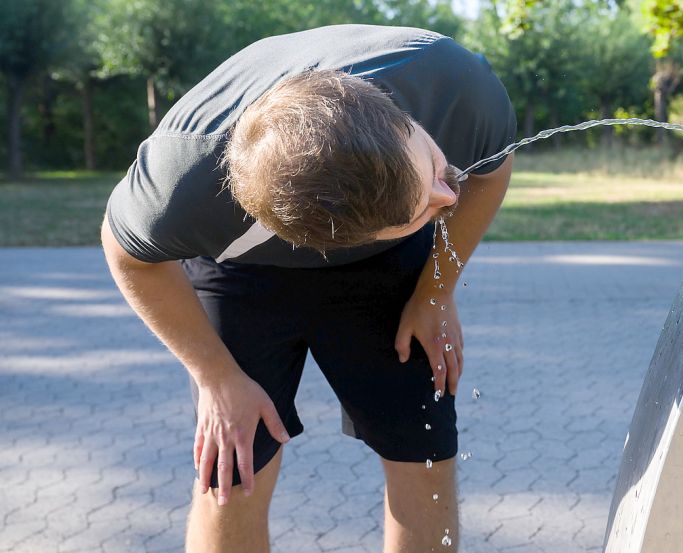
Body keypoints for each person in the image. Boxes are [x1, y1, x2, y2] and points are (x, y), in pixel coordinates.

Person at [101, 24, 515, 553]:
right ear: (330, 237)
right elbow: (127, 257)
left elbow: (490, 173)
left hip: (387, 265)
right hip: (239, 273)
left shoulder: (457, 85)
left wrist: (435, 291)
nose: (447, 196)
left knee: (425, 454)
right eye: (428, 205)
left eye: (432, 169)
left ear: (398, 121)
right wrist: (216, 377)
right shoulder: (180, 185)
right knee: (232, 474)